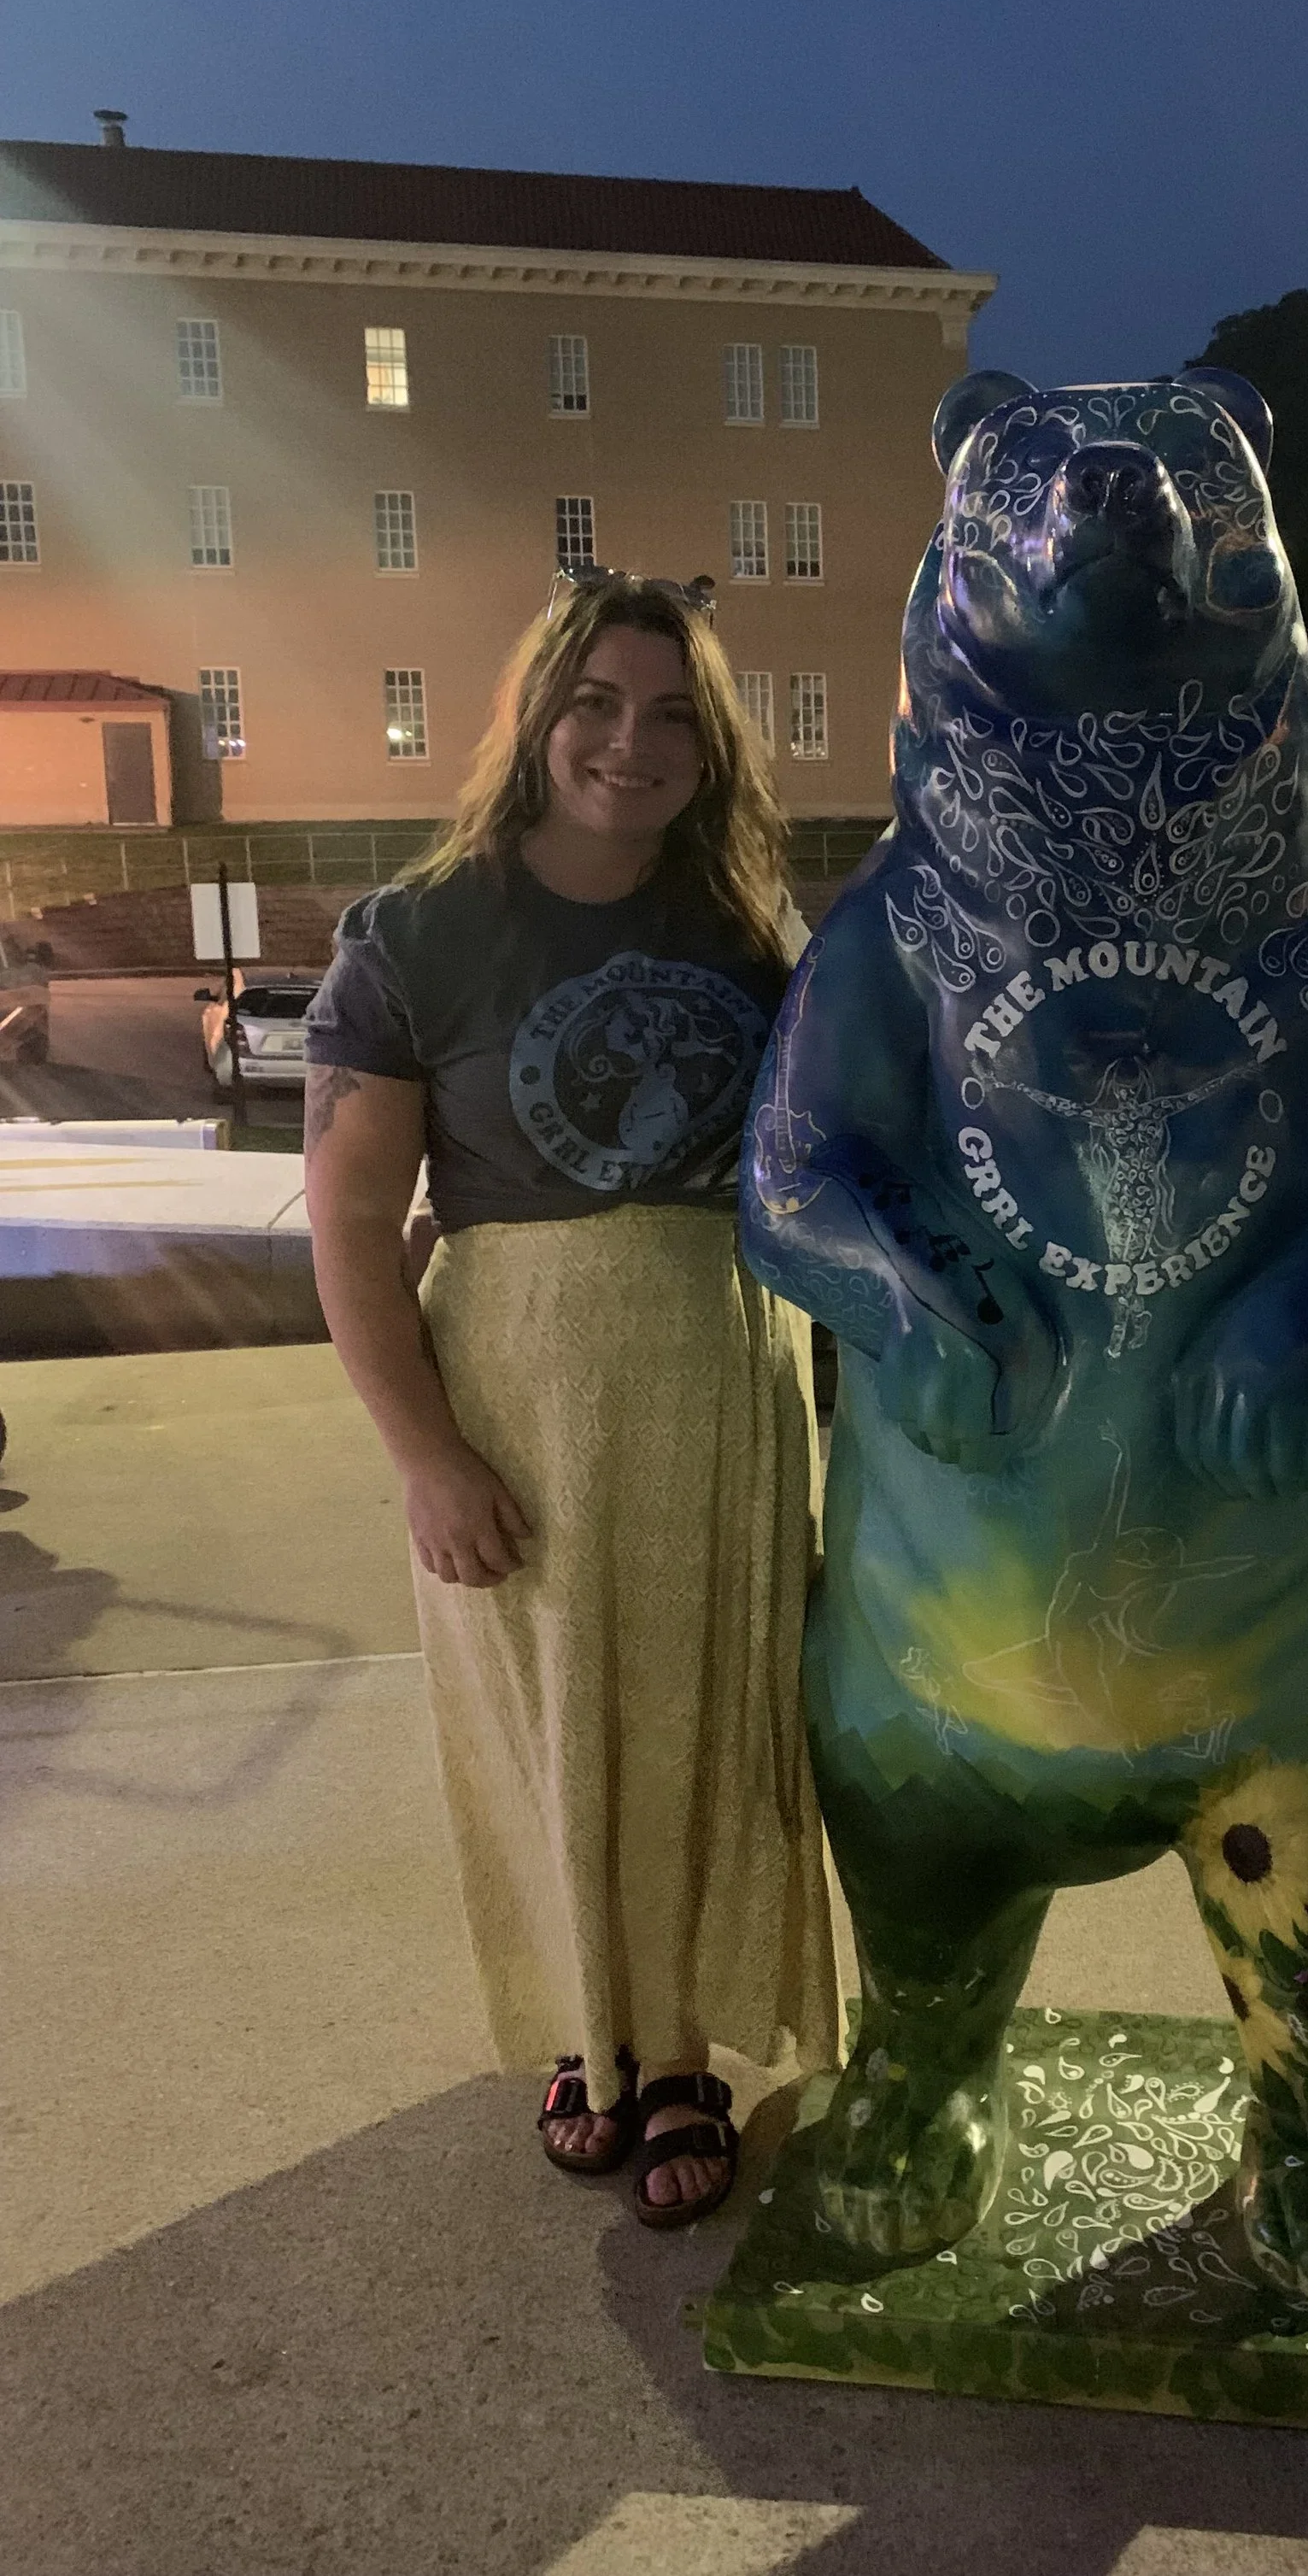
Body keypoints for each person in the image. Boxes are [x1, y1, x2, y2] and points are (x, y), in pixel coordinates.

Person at [302, 570, 836, 2228]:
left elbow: (826, 1172)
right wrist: (422, 1455)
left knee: (702, 1727)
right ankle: (583, 2024)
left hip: (720, 1384)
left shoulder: (753, 929)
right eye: (595, 702)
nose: (633, 741)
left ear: (712, 745)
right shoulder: (418, 933)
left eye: (675, 713)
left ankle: (674, 2049)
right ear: (535, 717)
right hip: (521, 1394)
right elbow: (344, 1214)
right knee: (549, 1730)